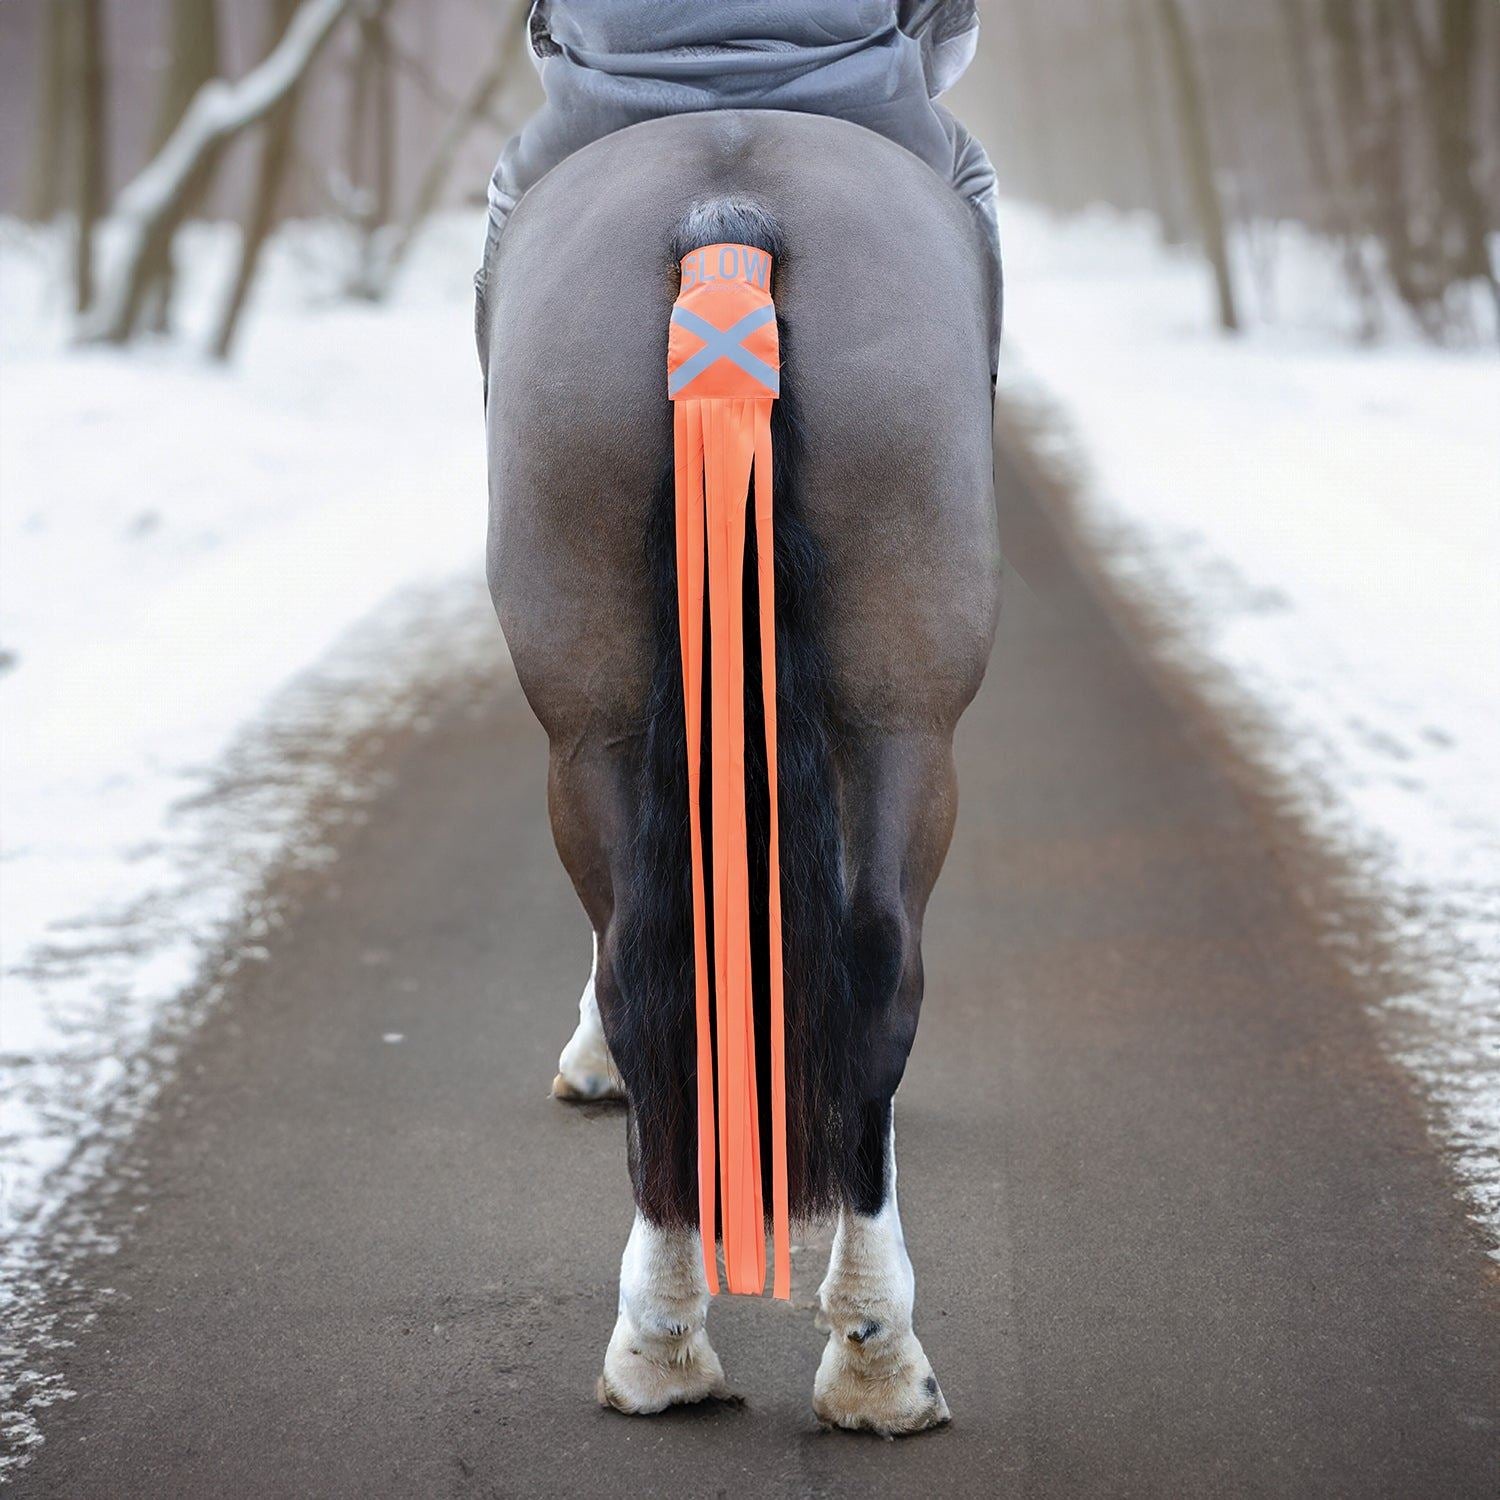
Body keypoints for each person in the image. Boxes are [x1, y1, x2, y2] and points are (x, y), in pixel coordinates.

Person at [476, 1, 1001, 381]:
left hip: (612, 107)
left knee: (516, 198)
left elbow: (543, 33)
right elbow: (947, 33)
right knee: (968, 173)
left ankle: (503, 406)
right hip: (853, 100)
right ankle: (977, 401)